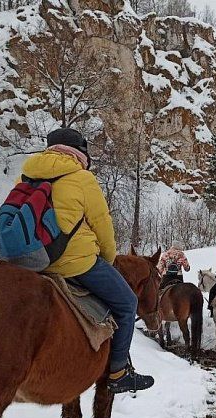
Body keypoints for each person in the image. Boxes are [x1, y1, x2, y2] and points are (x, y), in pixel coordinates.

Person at [21, 127, 153, 394]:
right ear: (79, 151)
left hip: (31, 261)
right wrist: (107, 259)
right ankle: (118, 372)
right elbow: (102, 225)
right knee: (128, 303)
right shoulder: (82, 178)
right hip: (74, 263)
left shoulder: (28, 174)